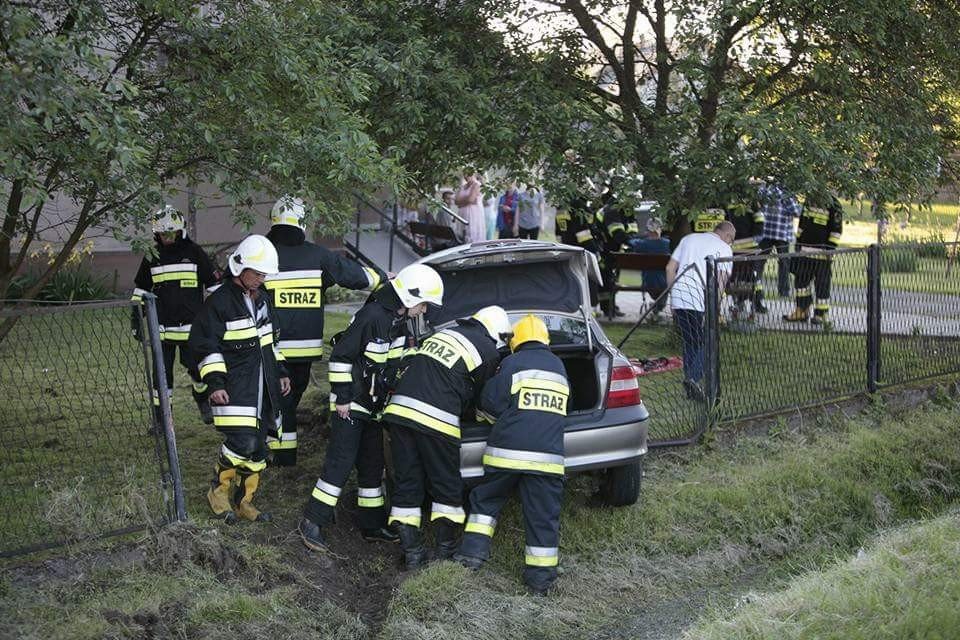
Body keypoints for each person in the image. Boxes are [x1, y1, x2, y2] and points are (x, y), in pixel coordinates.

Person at [298, 263, 444, 551]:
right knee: (340, 464)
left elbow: (396, 361)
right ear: (411, 297)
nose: (425, 310)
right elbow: (340, 357)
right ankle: (312, 521)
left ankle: (372, 524)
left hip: (373, 406)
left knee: (372, 465)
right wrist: (342, 398)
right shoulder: (373, 316)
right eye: (424, 304)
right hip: (351, 403)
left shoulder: (398, 320)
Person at [381, 305, 510, 568]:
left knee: (407, 482)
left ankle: (413, 553)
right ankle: (445, 550)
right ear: (497, 333)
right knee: (446, 484)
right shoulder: (486, 351)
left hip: (400, 414)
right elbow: (482, 401)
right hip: (436, 419)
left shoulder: (445, 334)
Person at [263, 196, 385, 466]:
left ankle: (280, 450)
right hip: (305, 348)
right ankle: (281, 451)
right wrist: (383, 279)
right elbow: (354, 276)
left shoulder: (265, 254)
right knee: (291, 396)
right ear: (303, 224)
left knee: (277, 398)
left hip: (272, 346)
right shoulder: (318, 255)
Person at [454, 314, 569, 595]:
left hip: (505, 454)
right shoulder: (560, 368)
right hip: (547, 460)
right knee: (543, 517)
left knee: (486, 501)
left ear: (515, 341)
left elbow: (490, 403)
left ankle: (471, 557)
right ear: (545, 339)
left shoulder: (512, 363)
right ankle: (540, 583)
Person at [189, 235, 291, 523]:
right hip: (236, 387)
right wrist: (216, 384)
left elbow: (271, 342)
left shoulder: (263, 300)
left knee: (259, 448)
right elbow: (204, 345)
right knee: (241, 443)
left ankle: (243, 501)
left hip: (265, 388)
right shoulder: (219, 303)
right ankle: (217, 492)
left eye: (264, 274)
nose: (260, 279)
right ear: (239, 268)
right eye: (256, 273)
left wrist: (281, 372)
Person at [131, 205, 218, 426]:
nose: (167, 237)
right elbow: (141, 290)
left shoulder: (195, 252)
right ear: (156, 234)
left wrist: (218, 316)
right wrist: (136, 320)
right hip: (162, 329)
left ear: (180, 231)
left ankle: (202, 397)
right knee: (161, 378)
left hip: (192, 330)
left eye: (171, 233)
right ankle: (162, 420)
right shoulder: (153, 257)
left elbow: (214, 286)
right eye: (163, 233)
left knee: (199, 371)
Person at [665, 221, 734, 400]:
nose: (731, 243)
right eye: (731, 240)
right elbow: (720, 282)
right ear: (727, 236)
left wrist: (673, 296)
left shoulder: (689, 239)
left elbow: (669, 268)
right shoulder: (725, 248)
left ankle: (690, 386)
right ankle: (693, 379)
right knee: (709, 342)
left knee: (691, 342)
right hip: (700, 298)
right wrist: (714, 306)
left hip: (680, 294)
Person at [783, 191, 843, 325]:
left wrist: (830, 249)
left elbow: (836, 230)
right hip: (804, 252)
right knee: (801, 284)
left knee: (822, 285)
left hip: (823, 255)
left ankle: (820, 315)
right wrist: (798, 245)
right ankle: (802, 311)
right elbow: (801, 225)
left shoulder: (834, 204)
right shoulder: (809, 200)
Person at [757, 181, 802, 297]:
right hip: (781, 233)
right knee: (784, 263)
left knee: (759, 262)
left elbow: (757, 205)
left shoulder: (764, 190)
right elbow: (796, 211)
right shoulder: (786, 193)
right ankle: (784, 291)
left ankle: (756, 289)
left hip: (765, 232)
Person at [725, 195, 766, 316]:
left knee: (750, 278)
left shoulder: (750, 201)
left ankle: (755, 303)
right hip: (733, 248)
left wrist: (756, 239)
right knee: (733, 279)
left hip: (749, 248)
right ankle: (738, 302)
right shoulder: (726, 201)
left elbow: (759, 221)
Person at [627, 217, 671, 314]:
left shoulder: (641, 244)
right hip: (664, 282)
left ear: (648, 230)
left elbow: (631, 242)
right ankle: (658, 307)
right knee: (666, 284)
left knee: (656, 282)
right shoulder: (667, 244)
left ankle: (657, 307)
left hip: (647, 281)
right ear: (660, 229)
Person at [456, 171, 486, 244]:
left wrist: (462, 201)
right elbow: (456, 201)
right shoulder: (463, 186)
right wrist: (467, 200)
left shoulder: (477, 185)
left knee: (473, 235)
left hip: (473, 214)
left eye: (469, 174)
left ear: (474, 174)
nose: (466, 176)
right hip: (463, 214)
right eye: (465, 174)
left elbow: (471, 199)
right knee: (463, 235)